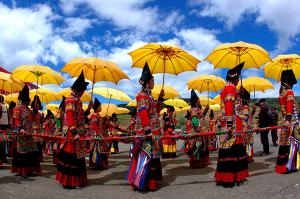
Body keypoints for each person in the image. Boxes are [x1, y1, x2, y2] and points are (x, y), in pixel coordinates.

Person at [127, 62, 164, 192]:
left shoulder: (150, 96)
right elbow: (143, 114)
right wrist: (148, 131)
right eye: (152, 81)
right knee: (146, 157)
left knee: (152, 156)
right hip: (146, 133)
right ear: (147, 82)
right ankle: (143, 182)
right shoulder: (142, 96)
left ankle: (151, 183)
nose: (154, 83)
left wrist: (160, 100)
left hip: (153, 131)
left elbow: (155, 113)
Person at [215, 62, 249, 187]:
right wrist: (229, 126)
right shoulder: (230, 89)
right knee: (232, 151)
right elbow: (229, 108)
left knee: (229, 151)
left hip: (232, 123)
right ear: (235, 78)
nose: (239, 80)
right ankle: (230, 177)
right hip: (233, 125)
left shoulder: (229, 88)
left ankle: (231, 176)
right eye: (238, 78)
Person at [56, 71, 88, 188]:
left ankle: (78, 179)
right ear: (79, 89)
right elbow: (70, 116)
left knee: (79, 156)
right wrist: (74, 132)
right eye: (83, 89)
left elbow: (80, 117)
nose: (84, 92)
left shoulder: (78, 101)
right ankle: (69, 181)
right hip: (71, 133)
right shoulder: (70, 100)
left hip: (79, 132)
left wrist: (88, 110)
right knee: (71, 156)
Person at [11, 85, 41, 176]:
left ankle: (29, 170)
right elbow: (16, 118)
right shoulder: (17, 107)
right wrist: (20, 128)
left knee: (30, 152)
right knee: (22, 152)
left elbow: (33, 119)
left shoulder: (28, 109)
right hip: (22, 133)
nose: (29, 101)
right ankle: (21, 170)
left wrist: (35, 110)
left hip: (29, 133)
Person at [276, 70, 298, 174]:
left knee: (283, 144)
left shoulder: (281, 93)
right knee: (290, 143)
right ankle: (289, 166)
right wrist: (289, 120)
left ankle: (281, 166)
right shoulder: (289, 92)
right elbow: (289, 108)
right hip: (289, 121)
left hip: (282, 120)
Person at [187, 89, 210, 168]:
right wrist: (198, 129)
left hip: (200, 131)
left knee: (201, 147)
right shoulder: (193, 109)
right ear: (196, 101)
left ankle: (202, 162)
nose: (200, 101)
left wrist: (206, 110)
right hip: (197, 132)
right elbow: (194, 119)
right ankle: (197, 163)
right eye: (198, 99)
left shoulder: (197, 109)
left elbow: (201, 117)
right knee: (197, 147)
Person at [89, 98, 109, 169]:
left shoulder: (99, 116)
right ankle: (96, 164)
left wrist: (106, 120)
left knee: (102, 149)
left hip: (99, 134)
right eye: (100, 106)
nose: (101, 108)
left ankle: (101, 164)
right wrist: (99, 134)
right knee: (97, 149)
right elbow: (95, 126)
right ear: (97, 107)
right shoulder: (94, 116)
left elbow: (103, 126)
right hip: (95, 136)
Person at [240, 87, 254, 162]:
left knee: (247, 143)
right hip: (248, 127)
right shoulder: (246, 107)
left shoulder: (245, 107)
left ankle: (248, 156)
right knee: (248, 143)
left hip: (246, 127)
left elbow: (245, 118)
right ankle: (248, 156)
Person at [53, 96, 66, 164]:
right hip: (59, 131)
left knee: (59, 145)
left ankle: (58, 160)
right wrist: (59, 128)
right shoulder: (60, 112)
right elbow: (58, 120)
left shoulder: (62, 112)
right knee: (58, 145)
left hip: (61, 130)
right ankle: (57, 160)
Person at [31, 95, 44, 162]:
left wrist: (42, 118)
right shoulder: (31, 113)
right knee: (34, 144)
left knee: (38, 144)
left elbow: (41, 122)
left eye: (38, 106)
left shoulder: (39, 114)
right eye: (36, 106)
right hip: (32, 131)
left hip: (38, 131)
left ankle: (38, 157)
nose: (37, 107)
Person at [0, 95, 9, 164]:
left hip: (1, 126)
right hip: (5, 126)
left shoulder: (1, 106)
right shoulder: (5, 107)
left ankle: (3, 158)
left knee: (2, 143)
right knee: (3, 142)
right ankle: (4, 158)